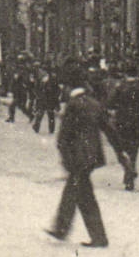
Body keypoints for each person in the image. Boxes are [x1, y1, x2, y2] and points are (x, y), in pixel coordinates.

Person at [47, 84, 113, 248]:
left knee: (76, 194)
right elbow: (109, 129)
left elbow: (64, 135)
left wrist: (65, 159)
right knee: (83, 195)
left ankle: (62, 229)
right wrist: (121, 152)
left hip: (77, 158)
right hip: (92, 158)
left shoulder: (73, 105)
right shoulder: (95, 104)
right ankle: (94, 236)